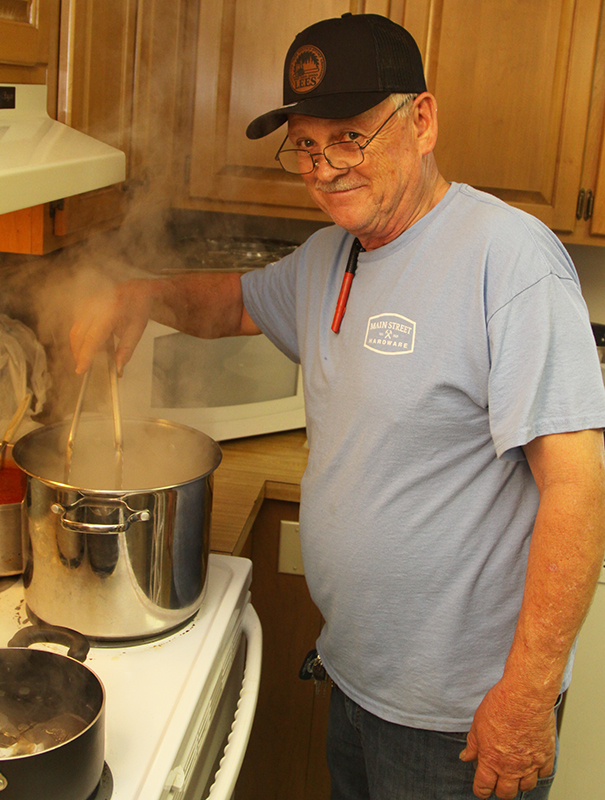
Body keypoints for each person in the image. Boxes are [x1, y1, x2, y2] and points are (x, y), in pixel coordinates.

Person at [71, 13, 605, 800]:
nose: (324, 169)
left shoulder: (510, 259)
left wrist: (525, 695)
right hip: (353, 676)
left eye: (350, 138)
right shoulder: (331, 253)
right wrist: (137, 295)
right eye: (305, 146)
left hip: (458, 719)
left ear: (420, 120)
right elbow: (228, 305)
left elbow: (578, 485)